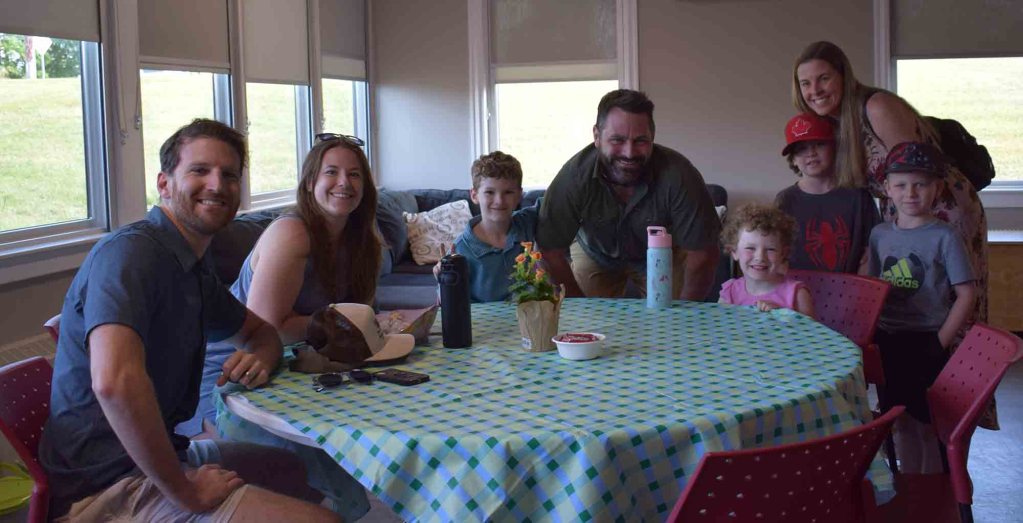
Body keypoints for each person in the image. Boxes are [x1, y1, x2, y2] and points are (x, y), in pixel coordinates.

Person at [38, 119, 338, 521]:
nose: (217, 184)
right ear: (164, 184)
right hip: (103, 486)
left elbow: (260, 332)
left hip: (167, 453)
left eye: (229, 175)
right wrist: (186, 491)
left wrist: (261, 357)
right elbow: (114, 383)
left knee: (300, 469)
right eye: (200, 170)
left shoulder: (190, 264)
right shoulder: (132, 255)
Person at [188, 133, 383, 519]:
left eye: (355, 174)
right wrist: (346, 323)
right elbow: (270, 328)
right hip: (231, 378)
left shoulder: (362, 240)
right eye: (331, 172)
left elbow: (358, 317)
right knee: (316, 467)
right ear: (310, 182)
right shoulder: (292, 232)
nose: (344, 183)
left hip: (297, 370)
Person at [791, 40, 987, 323]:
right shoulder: (835, 122)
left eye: (824, 78)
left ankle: (957, 352)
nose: (815, 90)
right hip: (899, 209)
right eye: (805, 83)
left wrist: (905, 232)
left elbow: (913, 175)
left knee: (949, 293)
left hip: (938, 204)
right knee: (913, 298)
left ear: (844, 76)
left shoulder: (876, 107)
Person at [537, 89, 721, 300]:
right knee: (585, 318)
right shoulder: (574, 177)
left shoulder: (679, 175)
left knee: (671, 315)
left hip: (661, 253)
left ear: (653, 137)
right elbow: (549, 250)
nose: (629, 153)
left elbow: (703, 252)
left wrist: (684, 314)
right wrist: (579, 305)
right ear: (597, 136)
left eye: (640, 141)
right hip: (594, 252)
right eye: (617, 140)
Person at [868, 142, 977, 473]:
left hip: (927, 340)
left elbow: (967, 294)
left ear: (937, 188)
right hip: (888, 340)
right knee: (898, 420)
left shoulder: (945, 236)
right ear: (887, 188)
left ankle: (932, 487)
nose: (910, 193)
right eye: (901, 185)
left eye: (921, 184)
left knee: (928, 424)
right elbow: (874, 289)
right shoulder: (879, 234)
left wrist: (939, 342)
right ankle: (909, 484)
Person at [775, 112, 880, 273]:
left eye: (819, 144)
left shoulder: (859, 196)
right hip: (796, 285)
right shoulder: (785, 200)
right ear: (793, 159)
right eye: (801, 149)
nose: (811, 153)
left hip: (850, 285)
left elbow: (871, 249)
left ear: (835, 149)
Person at [449, 151, 538, 302]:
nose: (499, 201)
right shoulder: (460, 250)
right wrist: (444, 277)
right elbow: (450, 301)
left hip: (531, 315)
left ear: (519, 195)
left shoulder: (527, 222)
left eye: (508, 192)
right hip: (482, 318)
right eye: (489, 192)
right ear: (474, 195)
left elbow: (556, 201)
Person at [718, 203, 814, 317]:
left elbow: (809, 328)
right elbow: (718, 324)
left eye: (770, 249)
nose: (760, 257)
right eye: (750, 248)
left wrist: (782, 314)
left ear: (783, 253)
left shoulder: (797, 294)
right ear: (734, 251)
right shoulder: (729, 292)